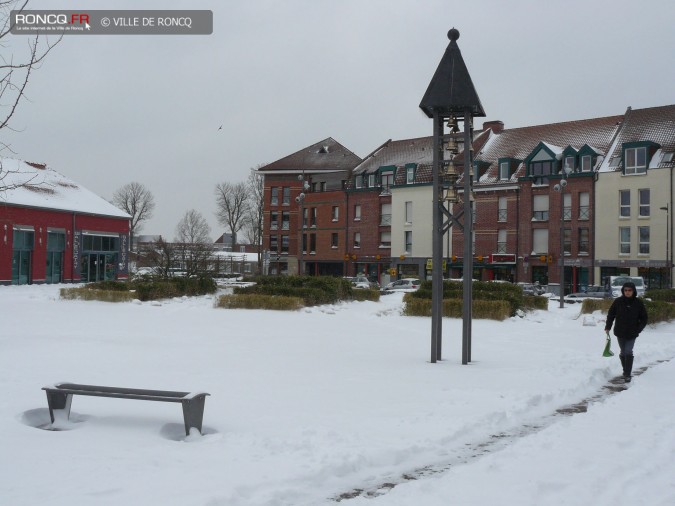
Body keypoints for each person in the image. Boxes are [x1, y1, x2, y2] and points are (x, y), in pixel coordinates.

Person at [604, 281, 648, 382]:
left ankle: (627, 374)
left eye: (630, 290)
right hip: (620, 331)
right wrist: (608, 326)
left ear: (633, 291)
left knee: (628, 351)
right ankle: (625, 370)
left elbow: (644, 318)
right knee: (623, 352)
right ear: (623, 291)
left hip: (632, 332)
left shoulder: (638, 303)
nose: (627, 292)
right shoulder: (618, 301)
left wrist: (639, 329)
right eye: (625, 290)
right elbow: (611, 314)